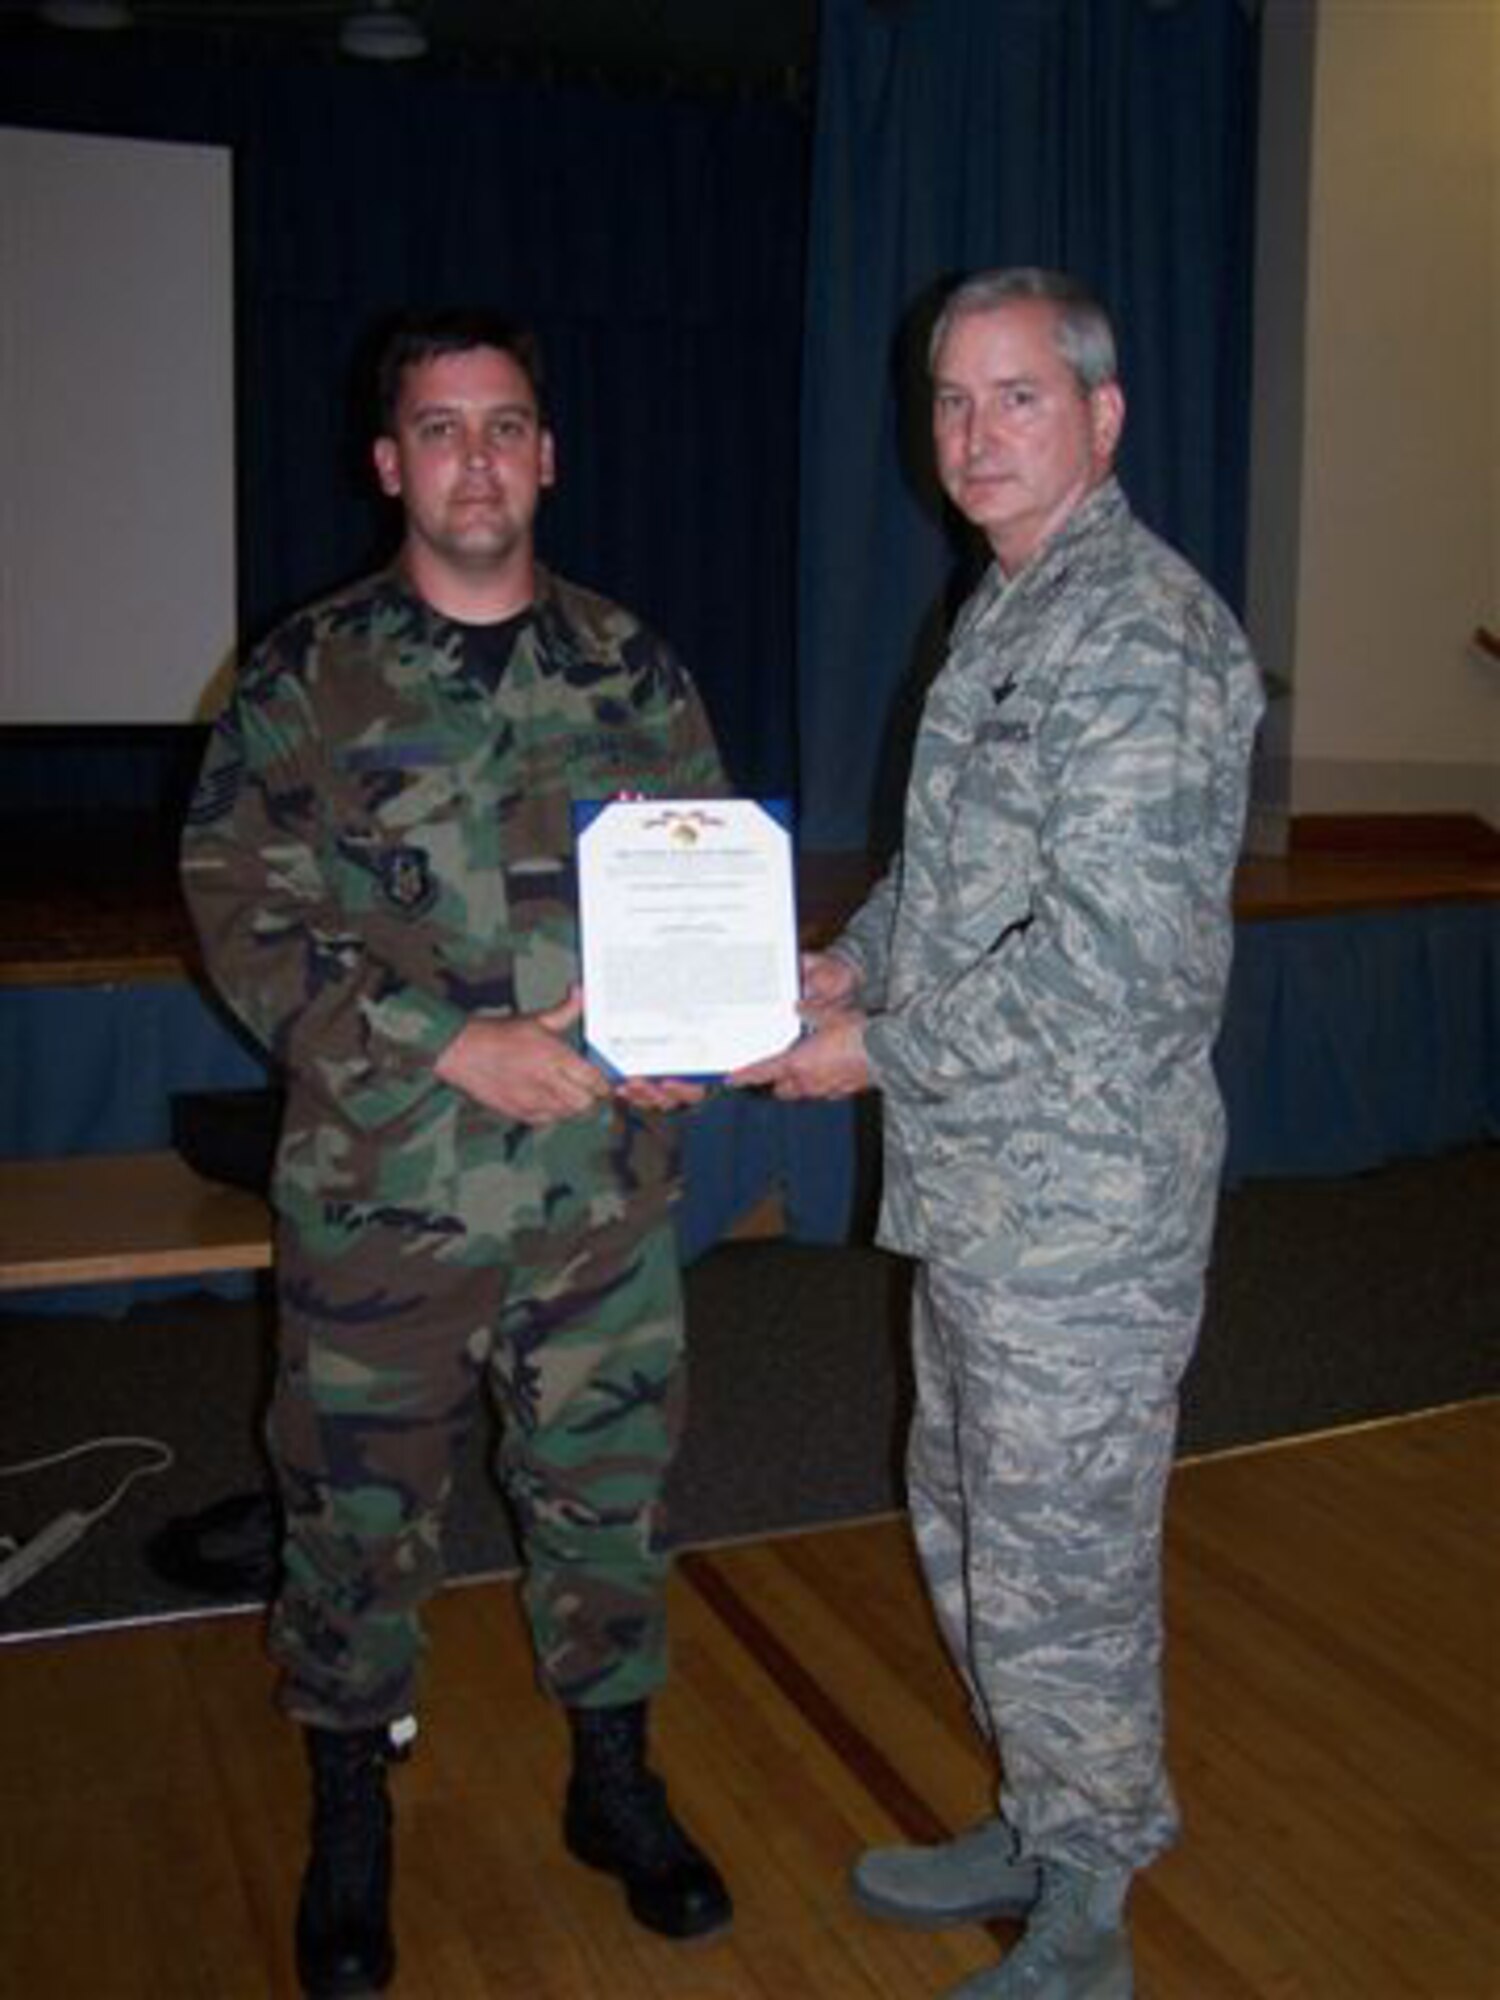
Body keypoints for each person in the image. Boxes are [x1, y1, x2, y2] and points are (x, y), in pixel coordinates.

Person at [182, 308, 733, 1998]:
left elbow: (702, 883)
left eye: (503, 427)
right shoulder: (304, 678)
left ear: (546, 456)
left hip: (598, 1202)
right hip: (386, 1202)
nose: (475, 460)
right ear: (389, 463)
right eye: (440, 428)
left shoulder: (636, 670)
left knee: (609, 1502)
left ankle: (613, 1785)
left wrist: (694, 1036)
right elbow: (238, 914)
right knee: (356, 1520)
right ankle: (352, 1816)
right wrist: (447, 1044)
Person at [731, 269, 1264, 1998]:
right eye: (952, 400)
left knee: (1066, 1570)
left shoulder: (1142, 636)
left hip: (1081, 1219)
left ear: (1103, 416)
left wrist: (871, 1049)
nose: (973, 434)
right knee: (971, 1523)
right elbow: (958, 878)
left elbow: (1112, 977)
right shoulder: (1013, 602)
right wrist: (850, 964)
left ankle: (1091, 1908)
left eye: (1016, 396)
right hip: (986, 1196)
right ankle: (1042, 1818)